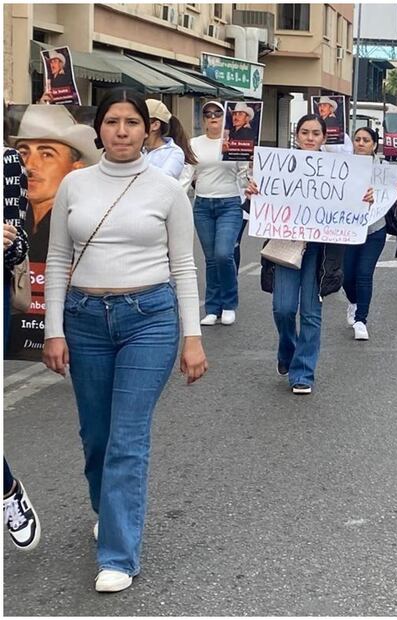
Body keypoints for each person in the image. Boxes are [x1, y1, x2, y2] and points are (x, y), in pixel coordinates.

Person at [42, 88, 208, 592]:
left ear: (147, 129)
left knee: (127, 439)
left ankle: (118, 553)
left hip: (149, 319)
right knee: (96, 437)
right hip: (85, 318)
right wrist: (53, 329)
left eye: (131, 122)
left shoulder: (167, 189)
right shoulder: (74, 185)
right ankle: (109, 509)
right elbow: (55, 261)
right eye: (111, 121)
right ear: (98, 129)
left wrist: (192, 336)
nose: (120, 131)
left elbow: (183, 266)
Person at [248, 114, 375, 394]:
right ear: (297, 136)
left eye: (315, 133)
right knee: (283, 308)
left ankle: (303, 372)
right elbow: (256, 206)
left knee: (310, 311)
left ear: (324, 138)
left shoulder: (341, 170)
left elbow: (354, 210)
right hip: (287, 244)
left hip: (322, 251)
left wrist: (365, 198)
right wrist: (252, 193)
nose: (309, 138)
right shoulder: (279, 167)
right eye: (304, 132)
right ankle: (288, 349)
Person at [182, 100, 248, 326]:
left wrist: (250, 175)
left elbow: (244, 176)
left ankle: (229, 304)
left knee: (223, 254)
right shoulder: (194, 144)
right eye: (208, 113)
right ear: (203, 119)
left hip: (229, 204)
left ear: (224, 117)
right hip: (202, 205)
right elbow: (186, 176)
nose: (212, 117)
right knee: (210, 259)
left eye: (217, 113)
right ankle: (212, 307)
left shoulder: (234, 142)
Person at [3, 147, 40, 551]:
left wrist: (8, 241)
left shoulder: (6, 161)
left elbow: (16, 245)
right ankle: (6, 484)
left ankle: (7, 491)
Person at [11, 105, 101, 262]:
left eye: (47, 154)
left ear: (76, 168)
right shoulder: (11, 216)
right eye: (23, 153)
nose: (29, 165)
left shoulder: (85, 223)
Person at [342, 127, 396, 341]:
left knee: (364, 274)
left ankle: (361, 320)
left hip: (374, 229)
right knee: (346, 275)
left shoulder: (384, 170)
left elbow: (394, 196)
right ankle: (353, 302)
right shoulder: (342, 167)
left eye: (366, 140)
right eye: (357, 139)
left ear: (374, 144)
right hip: (348, 229)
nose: (361, 143)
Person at [143, 99, 197, 181]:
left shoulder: (174, 153)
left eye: (140, 121)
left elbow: (163, 182)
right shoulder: (138, 149)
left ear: (155, 125)